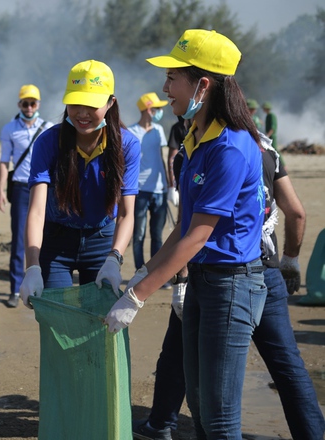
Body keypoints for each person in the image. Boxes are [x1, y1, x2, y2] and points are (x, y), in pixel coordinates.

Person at [104, 29, 267, 439]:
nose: (164, 89)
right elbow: (183, 227)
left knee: (219, 414)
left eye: (173, 78)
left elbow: (198, 237)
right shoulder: (197, 138)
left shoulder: (229, 146)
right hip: (203, 284)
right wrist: (145, 272)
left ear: (203, 85)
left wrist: (138, 297)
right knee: (197, 402)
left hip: (232, 288)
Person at [132, 138, 325, 440]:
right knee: (288, 365)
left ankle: (160, 423)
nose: (168, 89)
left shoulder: (198, 149)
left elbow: (188, 228)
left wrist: (179, 283)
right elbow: (296, 212)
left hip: (217, 275)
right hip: (267, 269)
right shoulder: (265, 147)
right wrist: (290, 260)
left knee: (182, 357)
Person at [19, 59, 141, 307]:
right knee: (57, 320)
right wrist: (32, 266)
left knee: (98, 323)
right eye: (75, 103)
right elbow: (37, 210)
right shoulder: (49, 142)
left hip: (101, 241)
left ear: (110, 103)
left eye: (91, 104)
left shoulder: (127, 145)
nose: (82, 113)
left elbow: (127, 214)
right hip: (56, 242)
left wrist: (114, 259)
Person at [0, 84, 53, 308]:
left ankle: (46, 287)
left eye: (33, 103)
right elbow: (4, 162)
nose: (29, 107)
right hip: (21, 188)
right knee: (19, 239)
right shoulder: (9, 129)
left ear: (38, 104)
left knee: (48, 237)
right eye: (25, 103)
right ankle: (14, 289)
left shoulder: (49, 128)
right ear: (19, 104)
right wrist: (0, 189)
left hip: (46, 188)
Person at [128, 92, 171, 279]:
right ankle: (140, 272)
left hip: (159, 190)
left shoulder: (159, 130)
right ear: (148, 109)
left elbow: (163, 158)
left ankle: (154, 274)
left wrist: (170, 186)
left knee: (157, 235)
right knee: (138, 235)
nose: (160, 111)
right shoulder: (131, 132)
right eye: (157, 108)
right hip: (139, 190)